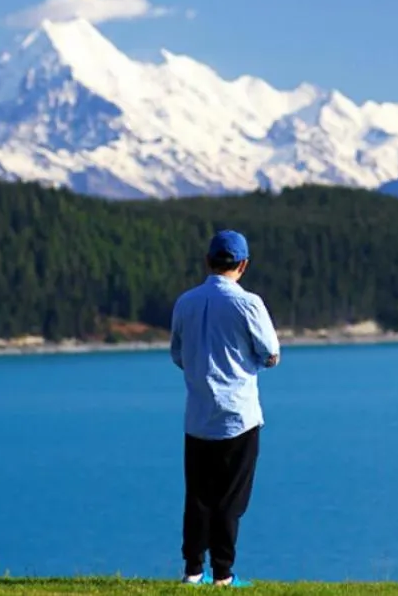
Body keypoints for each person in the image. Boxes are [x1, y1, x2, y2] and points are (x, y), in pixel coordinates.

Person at [170, 229, 281, 588]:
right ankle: (223, 574)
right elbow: (271, 353)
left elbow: (177, 354)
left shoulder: (185, 302)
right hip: (239, 416)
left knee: (198, 497)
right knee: (231, 500)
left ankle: (191, 570)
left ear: (208, 261)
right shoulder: (249, 304)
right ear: (243, 265)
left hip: (198, 415)